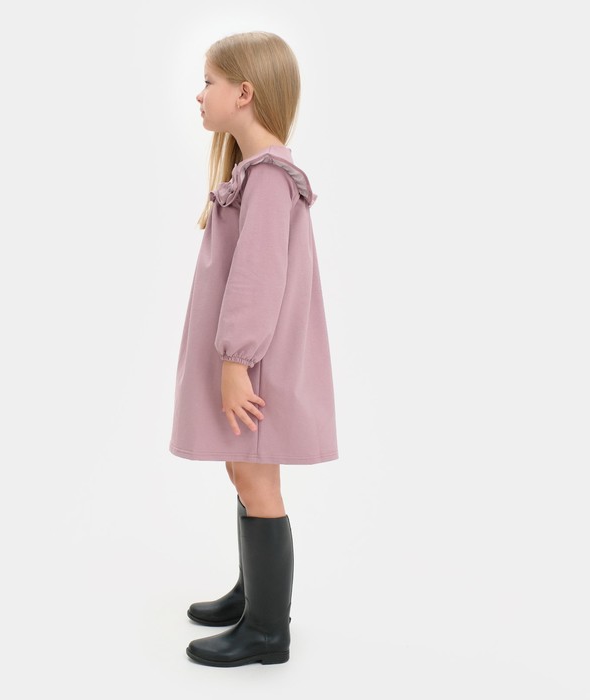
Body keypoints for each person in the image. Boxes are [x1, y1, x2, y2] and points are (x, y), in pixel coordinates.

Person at [169, 31, 339, 667]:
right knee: (242, 470)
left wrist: (236, 361)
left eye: (208, 82)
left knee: (256, 477)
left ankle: (268, 630)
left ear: (243, 93)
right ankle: (253, 596)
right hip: (248, 358)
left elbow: (259, 278)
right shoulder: (256, 172)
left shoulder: (268, 178)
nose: (199, 94)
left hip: (255, 361)